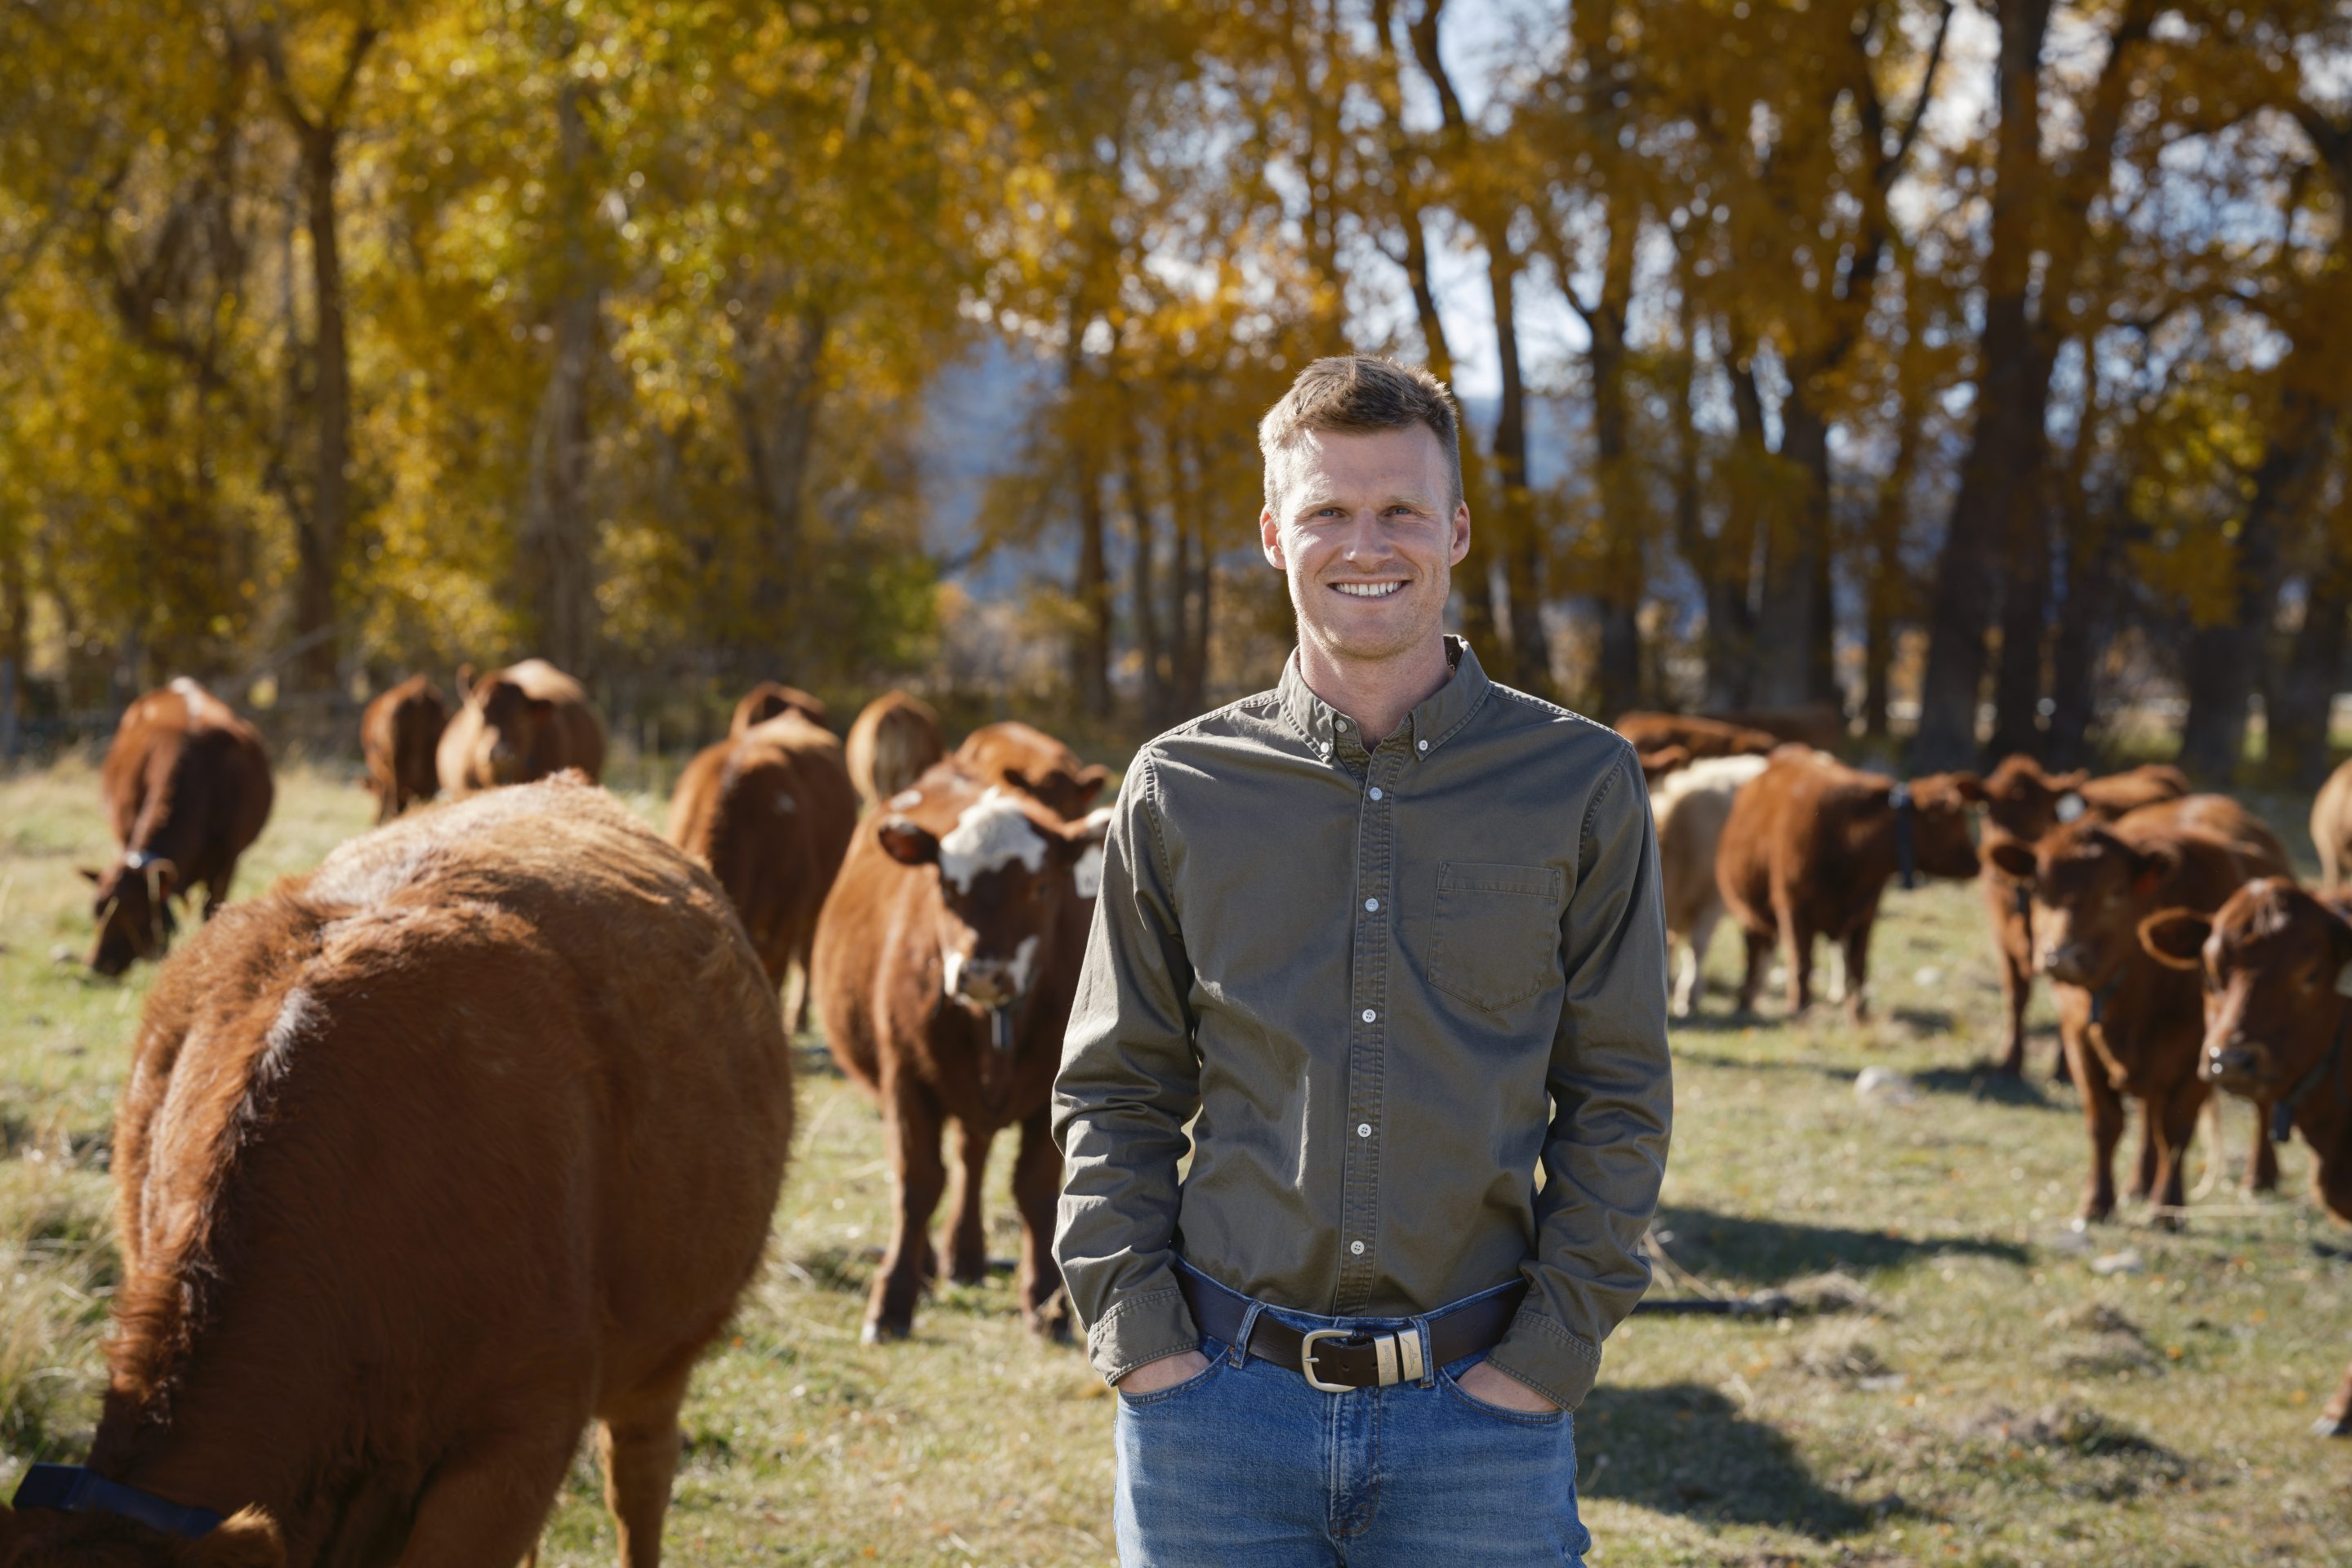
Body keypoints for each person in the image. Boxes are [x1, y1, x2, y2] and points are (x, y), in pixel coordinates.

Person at [1053, 354, 1673, 1566]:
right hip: (1215, 1421)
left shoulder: (1581, 783)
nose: (1365, 542)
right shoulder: (1179, 788)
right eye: (1329, 511)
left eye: (1398, 509)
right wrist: (1147, 1349)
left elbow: (1619, 1093)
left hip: (1480, 1421)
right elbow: (1113, 1087)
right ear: (1276, 536)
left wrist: (1545, 1364)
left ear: (1455, 529)